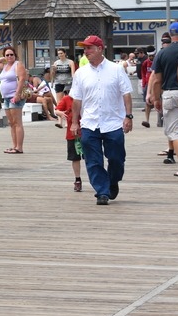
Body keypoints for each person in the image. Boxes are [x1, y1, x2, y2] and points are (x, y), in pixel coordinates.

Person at [69, 35, 133, 205]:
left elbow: (126, 94)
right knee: (93, 160)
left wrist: (128, 116)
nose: (85, 51)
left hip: (113, 122)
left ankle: (112, 182)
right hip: (90, 122)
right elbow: (76, 100)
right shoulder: (80, 73)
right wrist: (74, 122)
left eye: (89, 48)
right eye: (84, 48)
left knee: (117, 159)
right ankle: (102, 192)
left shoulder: (116, 69)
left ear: (99, 49)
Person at [150, 22, 178, 176]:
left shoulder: (162, 53)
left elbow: (157, 80)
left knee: (176, 132)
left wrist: (156, 99)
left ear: (170, 35)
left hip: (170, 93)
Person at [0, 46, 28, 154]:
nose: (9, 57)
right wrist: (3, 59)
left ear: (15, 55)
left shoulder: (18, 65)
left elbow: (22, 79)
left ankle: (19, 147)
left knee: (17, 122)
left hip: (14, 96)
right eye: (7, 55)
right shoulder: (4, 66)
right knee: (11, 122)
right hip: (6, 97)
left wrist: (17, 94)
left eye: (11, 54)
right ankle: (14, 146)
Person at [54, 88, 82, 191]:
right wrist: (60, 113)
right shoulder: (67, 99)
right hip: (72, 133)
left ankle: (95, 179)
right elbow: (57, 110)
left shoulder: (85, 97)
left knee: (91, 157)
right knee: (75, 158)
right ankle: (77, 179)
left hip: (87, 131)